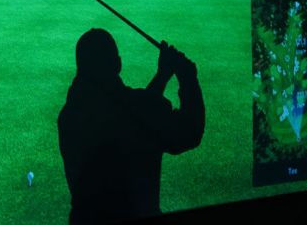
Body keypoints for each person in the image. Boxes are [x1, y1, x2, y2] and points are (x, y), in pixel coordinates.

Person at [57, 28, 205, 224]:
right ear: (118, 63)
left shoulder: (68, 116)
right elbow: (189, 132)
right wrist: (188, 78)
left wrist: (162, 76)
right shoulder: (140, 112)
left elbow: (132, 109)